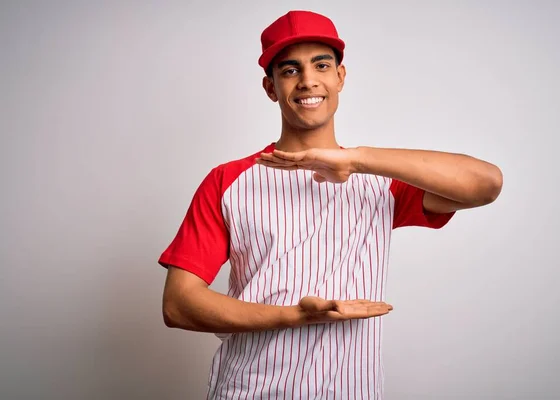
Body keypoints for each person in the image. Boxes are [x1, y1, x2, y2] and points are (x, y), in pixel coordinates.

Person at [158, 10, 503, 399]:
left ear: (340, 76)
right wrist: (294, 317)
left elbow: (486, 183)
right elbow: (179, 304)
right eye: (289, 70)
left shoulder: (381, 182)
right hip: (248, 389)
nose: (308, 80)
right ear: (270, 87)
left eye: (321, 65)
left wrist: (356, 160)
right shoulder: (227, 181)